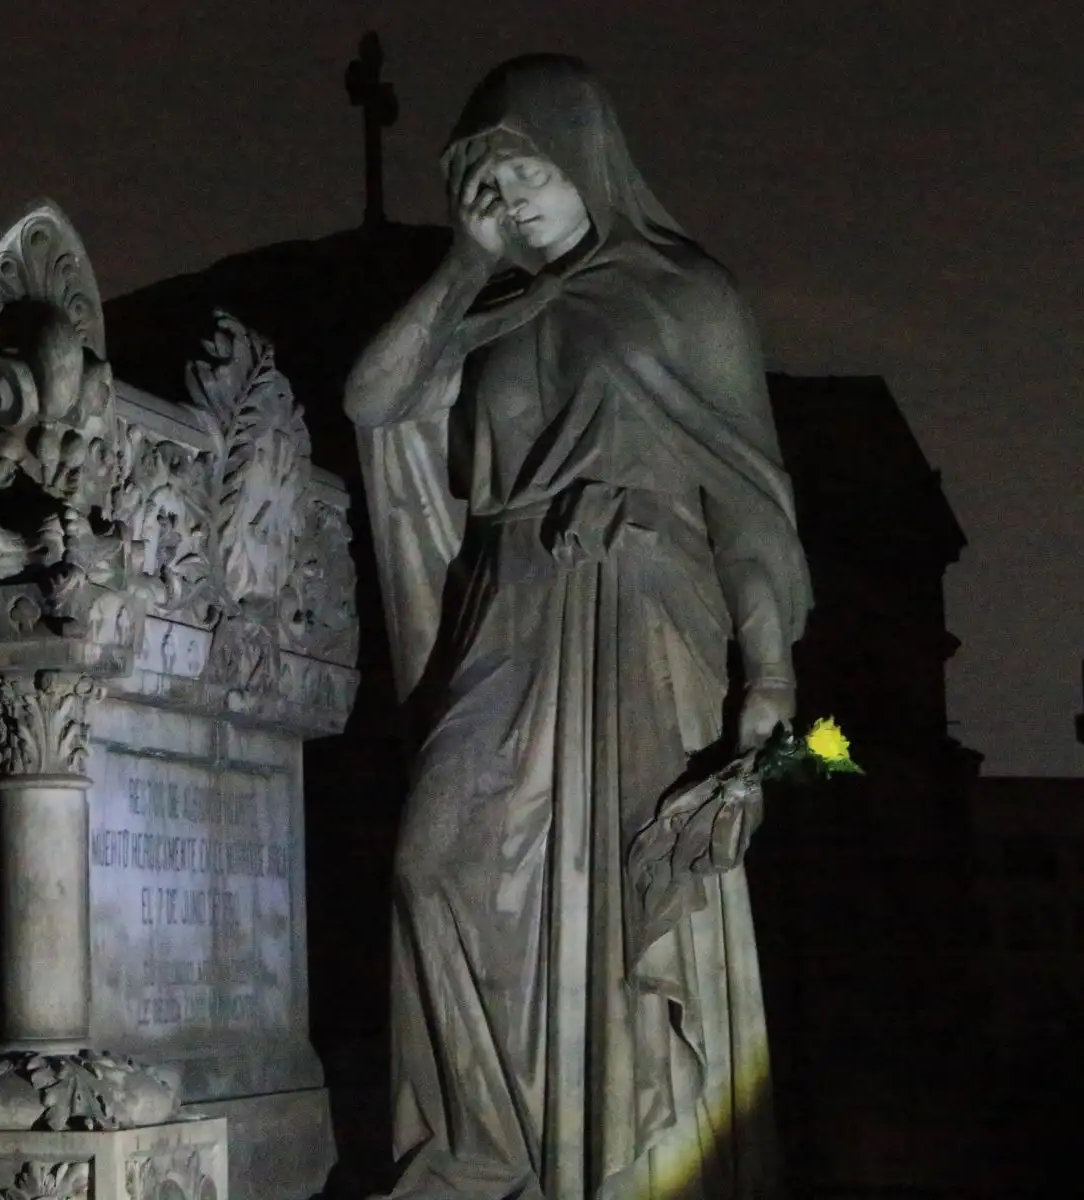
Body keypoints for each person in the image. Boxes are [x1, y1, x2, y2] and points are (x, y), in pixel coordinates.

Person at [344, 54, 810, 1200]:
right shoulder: (489, 317)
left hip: (646, 608)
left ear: (587, 156)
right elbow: (372, 401)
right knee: (433, 867)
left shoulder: (688, 292)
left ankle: (631, 1162)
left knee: (622, 897)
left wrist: (769, 674)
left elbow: (749, 505)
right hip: (511, 611)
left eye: (526, 175)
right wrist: (466, 265)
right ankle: (486, 1159)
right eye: (485, 189)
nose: (512, 204)